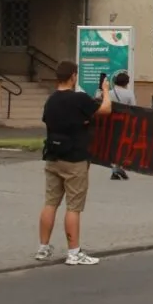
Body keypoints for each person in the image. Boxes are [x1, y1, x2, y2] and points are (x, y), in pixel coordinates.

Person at [35, 61, 111, 265]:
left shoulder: (51, 100)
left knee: (50, 203)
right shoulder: (79, 99)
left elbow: (50, 121)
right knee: (73, 207)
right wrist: (105, 90)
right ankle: (74, 252)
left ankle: (43, 248)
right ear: (73, 76)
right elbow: (105, 109)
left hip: (53, 156)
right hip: (75, 158)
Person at [95, 72, 135, 180]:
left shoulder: (109, 93)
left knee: (112, 146)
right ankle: (118, 168)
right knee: (122, 146)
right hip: (124, 123)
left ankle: (116, 169)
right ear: (126, 83)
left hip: (111, 123)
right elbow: (134, 108)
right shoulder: (129, 94)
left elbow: (98, 100)